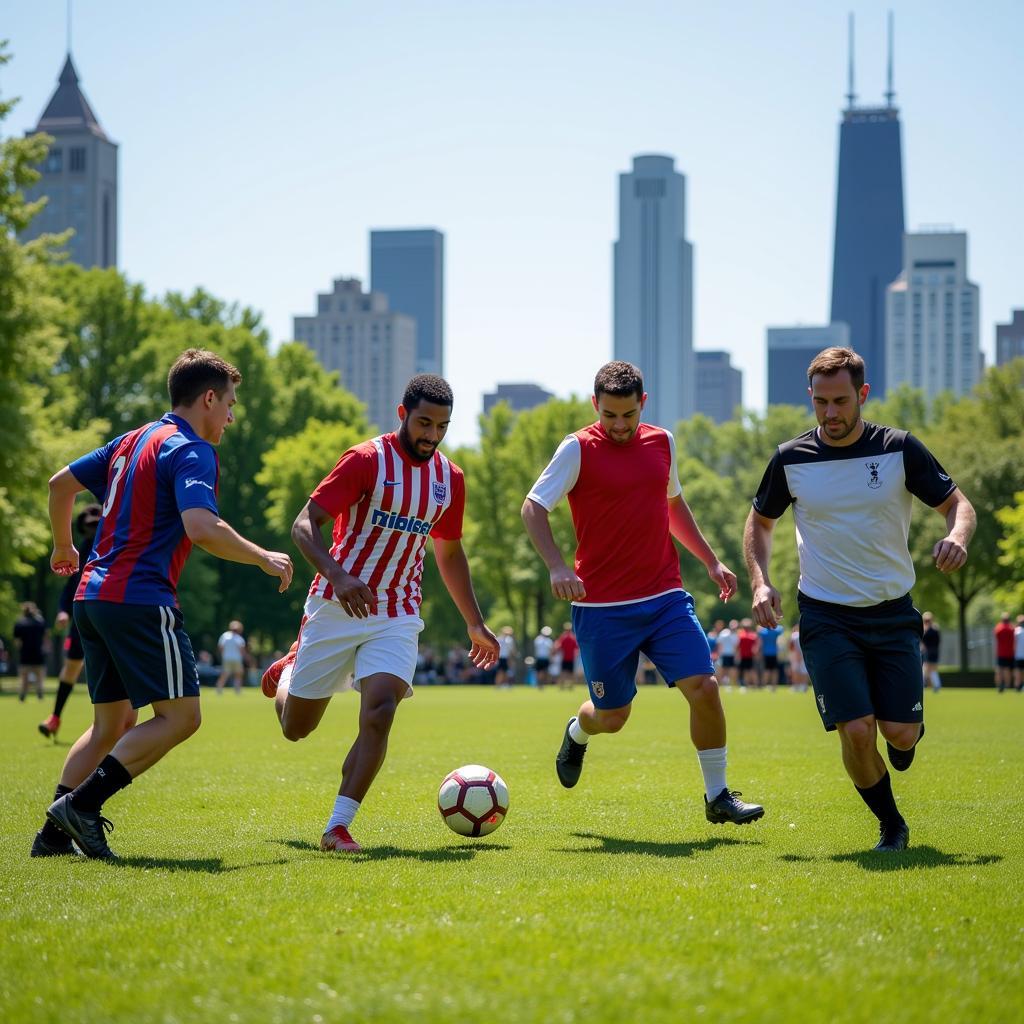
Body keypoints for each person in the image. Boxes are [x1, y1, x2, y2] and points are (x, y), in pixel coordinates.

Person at [32, 348, 293, 860]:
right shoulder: (192, 449)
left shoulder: (132, 440)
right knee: (182, 717)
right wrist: (263, 557)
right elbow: (201, 527)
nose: (232, 416)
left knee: (113, 723)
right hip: (139, 600)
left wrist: (64, 547)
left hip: (91, 597)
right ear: (209, 398)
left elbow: (59, 485)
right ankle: (81, 808)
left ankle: (53, 836)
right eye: (230, 404)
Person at [744, 346, 975, 853]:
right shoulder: (791, 458)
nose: (830, 413)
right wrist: (760, 581)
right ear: (811, 397)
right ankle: (891, 824)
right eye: (821, 402)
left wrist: (956, 536)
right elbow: (760, 522)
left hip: (893, 611)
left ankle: (907, 734)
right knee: (855, 729)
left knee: (899, 734)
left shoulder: (899, 448)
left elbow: (958, 504)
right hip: (826, 615)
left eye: (841, 401)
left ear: (862, 395)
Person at [259, 374, 499, 854]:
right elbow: (304, 526)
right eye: (424, 423)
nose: (432, 435)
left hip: (398, 611)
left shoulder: (449, 479)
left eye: (443, 426)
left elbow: (449, 554)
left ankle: (338, 827)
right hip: (335, 603)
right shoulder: (366, 460)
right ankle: (288, 672)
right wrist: (340, 576)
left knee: (381, 710)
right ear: (402, 414)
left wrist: (474, 621)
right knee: (296, 729)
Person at [522, 360, 764, 827]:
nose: (618, 425)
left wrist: (711, 560)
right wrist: (556, 566)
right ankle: (577, 732)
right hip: (602, 608)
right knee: (613, 717)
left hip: (664, 597)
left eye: (627, 415)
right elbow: (533, 508)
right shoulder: (576, 449)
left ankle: (718, 796)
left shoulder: (663, 442)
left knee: (706, 688)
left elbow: (672, 506)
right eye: (609, 414)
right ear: (596, 404)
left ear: (642, 405)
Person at [38, 505, 103, 738]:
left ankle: (117, 725)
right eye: (89, 526)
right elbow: (70, 587)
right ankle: (55, 718)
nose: (92, 529)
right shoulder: (83, 549)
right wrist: (63, 610)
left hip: (110, 611)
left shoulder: (116, 543)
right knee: (72, 667)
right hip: (82, 614)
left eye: (96, 524)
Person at [13, 602, 47, 702]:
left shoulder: (19, 623)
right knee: (39, 679)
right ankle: (40, 695)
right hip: (38, 654)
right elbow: (45, 638)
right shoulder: (40, 622)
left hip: (25, 655)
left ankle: (22, 696)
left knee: (24, 679)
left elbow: (17, 642)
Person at [216, 620, 247, 695]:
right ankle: (237, 690)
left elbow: (220, 647)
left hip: (226, 658)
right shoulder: (239, 638)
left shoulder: (225, 636)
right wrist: (245, 657)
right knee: (238, 674)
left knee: (225, 674)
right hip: (237, 659)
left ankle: (219, 688)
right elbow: (242, 650)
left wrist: (222, 655)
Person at [757, 620, 785, 691]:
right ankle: (774, 686)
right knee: (774, 670)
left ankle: (764, 685)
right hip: (774, 653)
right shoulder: (775, 632)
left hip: (766, 653)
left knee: (767, 670)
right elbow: (781, 629)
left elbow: (760, 642)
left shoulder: (763, 632)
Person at [920, 612, 942, 694]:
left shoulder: (929, 630)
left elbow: (923, 642)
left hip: (929, 652)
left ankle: (922, 685)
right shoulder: (935, 629)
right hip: (933, 651)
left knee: (927, 669)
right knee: (932, 669)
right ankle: (936, 685)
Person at [554, 622, 579, 690]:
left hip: (564, 658)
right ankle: (571, 686)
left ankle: (562, 686)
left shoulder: (563, 637)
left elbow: (558, 647)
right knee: (571, 673)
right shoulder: (573, 637)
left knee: (563, 672)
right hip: (571, 658)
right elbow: (577, 648)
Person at [994, 613, 1015, 693]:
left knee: (999, 669)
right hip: (1010, 652)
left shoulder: (999, 628)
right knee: (1007, 669)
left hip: (1000, 653)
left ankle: (1000, 685)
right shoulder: (1011, 628)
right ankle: (1007, 685)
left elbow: (996, 635)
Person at [736, 619, 759, 690]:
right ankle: (754, 685)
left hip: (745, 656)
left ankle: (747, 685)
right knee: (751, 670)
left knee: (747, 671)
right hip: (750, 655)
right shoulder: (753, 635)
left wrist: (737, 655)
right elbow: (756, 646)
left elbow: (737, 647)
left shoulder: (740, 635)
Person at [716, 619, 739, 690]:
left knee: (728, 670)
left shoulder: (724, 632)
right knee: (726, 670)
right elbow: (720, 645)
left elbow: (719, 644)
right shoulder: (733, 634)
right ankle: (725, 684)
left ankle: (728, 684)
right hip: (726, 654)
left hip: (729, 654)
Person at [788, 624, 809, 693]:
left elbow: (792, 646)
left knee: (795, 671)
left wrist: (797, 655)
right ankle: (804, 686)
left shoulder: (794, 635)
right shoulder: (805, 634)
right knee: (804, 671)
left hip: (796, 655)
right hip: (804, 655)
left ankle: (796, 686)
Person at [1014, 615, 1024, 693]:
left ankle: (1018, 686)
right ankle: (1019, 686)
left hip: (1018, 655)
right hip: (1018, 655)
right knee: (1018, 672)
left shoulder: (1016, 631)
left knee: (1018, 671)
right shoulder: (1016, 631)